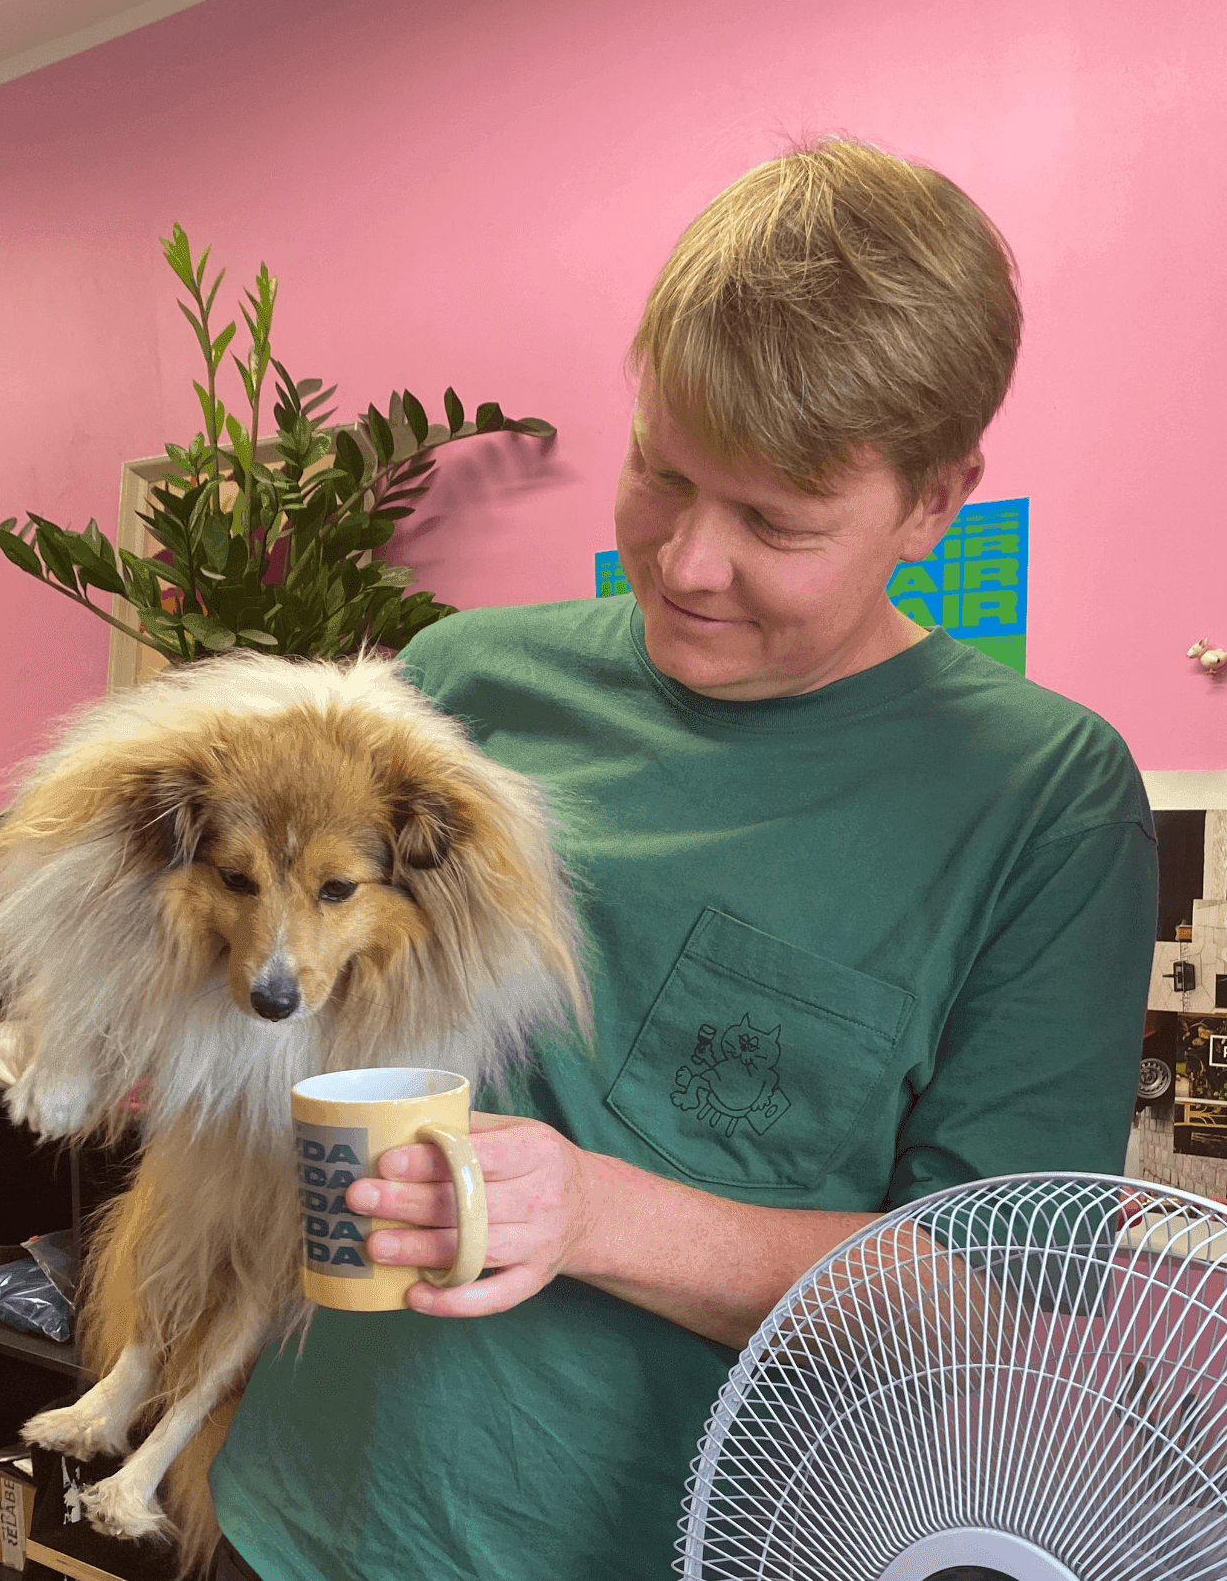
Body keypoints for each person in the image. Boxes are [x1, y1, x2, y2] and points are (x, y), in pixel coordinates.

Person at [208, 136, 1159, 1581]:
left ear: (933, 500)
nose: (686, 561)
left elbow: (992, 1300)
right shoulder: (465, 683)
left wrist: (595, 1215)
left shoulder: (1044, 800)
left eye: (777, 521)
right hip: (304, 1512)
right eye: (659, 472)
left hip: (684, 1540)